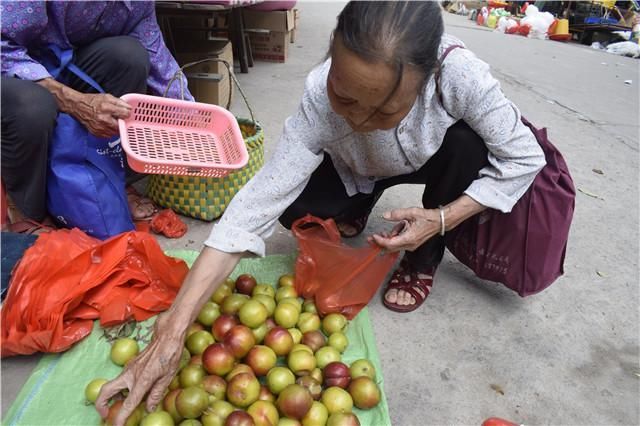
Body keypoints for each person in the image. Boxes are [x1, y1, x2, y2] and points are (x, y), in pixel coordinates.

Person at [97, 2, 547, 424]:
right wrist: (172, 332)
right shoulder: (319, 96)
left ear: (429, 78)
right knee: (296, 209)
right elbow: (252, 209)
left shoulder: (460, 76)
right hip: (356, 165)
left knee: (469, 146)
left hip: (432, 158)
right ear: (332, 50)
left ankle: (424, 253)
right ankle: (362, 197)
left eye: (386, 110)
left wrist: (444, 217)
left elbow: (524, 158)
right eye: (346, 99)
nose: (359, 121)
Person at [0, 1, 192, 233]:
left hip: (59, 62)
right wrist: (74, 100)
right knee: (34, 105)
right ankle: (23, 208)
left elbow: (158, 60)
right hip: (10, 66)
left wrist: (192, 121)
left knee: (129, 56)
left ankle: (116, 181)